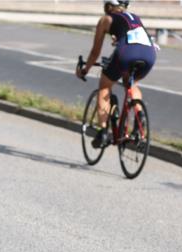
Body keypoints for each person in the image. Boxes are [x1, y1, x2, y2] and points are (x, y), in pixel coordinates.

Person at [76, 0, 156, 148]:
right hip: (149, 54)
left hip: (127, 53)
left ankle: (104, 131)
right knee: (131, 84)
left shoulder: (106, 19)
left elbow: (95, 52)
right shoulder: (135, 18)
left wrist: (85, 69)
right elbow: (132, 37)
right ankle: (140, 116)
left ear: (108, 6)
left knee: (105, 86)